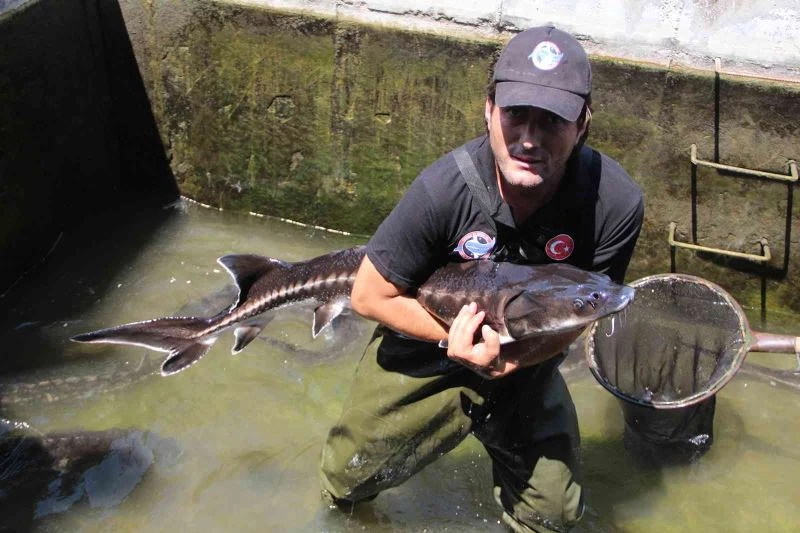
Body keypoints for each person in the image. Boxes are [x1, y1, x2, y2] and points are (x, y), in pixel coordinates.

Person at [319, 25, 644, 533]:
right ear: (489, 109)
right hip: (429, 336)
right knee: (347, 482)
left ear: (582, 124)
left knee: (553, 518)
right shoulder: (442, 190)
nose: (529, 139)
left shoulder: (615, 201)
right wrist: (455, 340)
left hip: (528, 346)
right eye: (516, 115)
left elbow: (589, 307)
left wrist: (514, 359)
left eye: (553, 120)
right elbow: (367, 294)